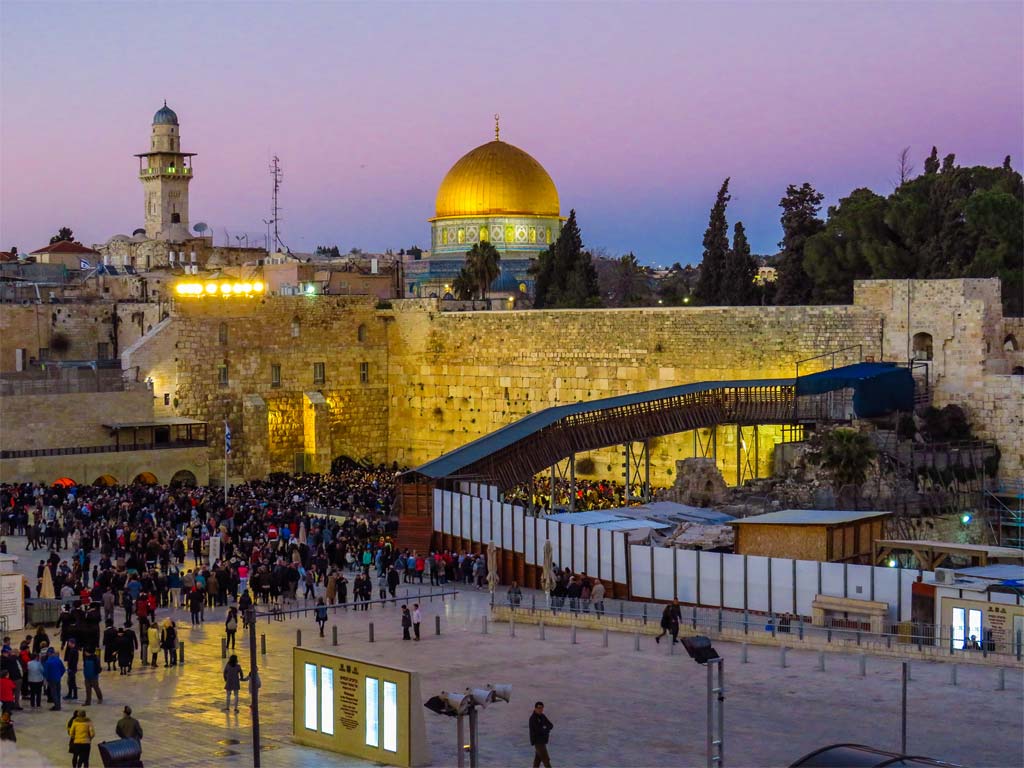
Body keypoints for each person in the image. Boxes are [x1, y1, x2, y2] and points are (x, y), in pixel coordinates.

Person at [529, 701, 554, 768]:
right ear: (535, 708)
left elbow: (550, 725)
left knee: (537, 761)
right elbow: (538, 730)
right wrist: (546, 729)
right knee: (546, 760)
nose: (541, 709)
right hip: (538, 742)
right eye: (539, 708)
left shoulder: (542, 716)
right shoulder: (533, 718)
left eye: (542, 708)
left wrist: (545, 728)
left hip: (543, 741)